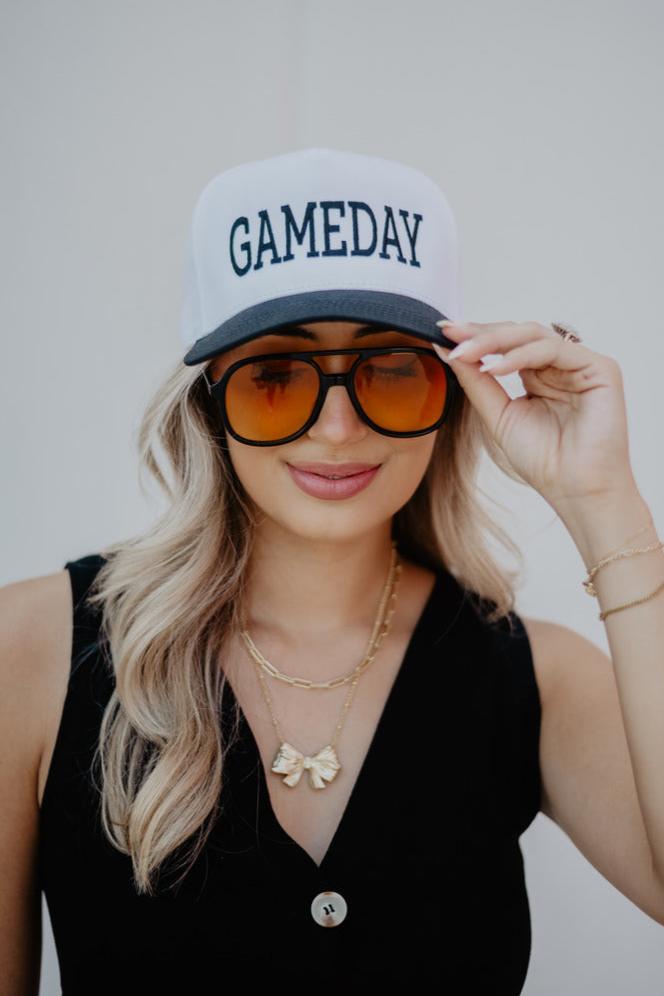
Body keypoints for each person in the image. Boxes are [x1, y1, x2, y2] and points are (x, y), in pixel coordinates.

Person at [3, 148, 663, 994]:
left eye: (392, 370)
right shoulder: (28, 654)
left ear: (454, 389)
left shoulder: (539, 678)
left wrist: (603, 497)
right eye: (275, 375)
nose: (341, 428)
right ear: (210, 405)